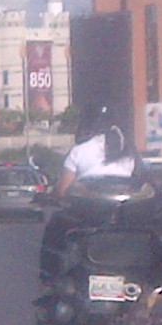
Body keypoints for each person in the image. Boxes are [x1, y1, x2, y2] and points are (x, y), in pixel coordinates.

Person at [41, 113, 136, 279]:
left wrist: (53, 196)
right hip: (124, 215)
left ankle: (48, 278)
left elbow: (62, 191)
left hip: (86, 217)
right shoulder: (128, 152)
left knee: (54, 226)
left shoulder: (79, 151)